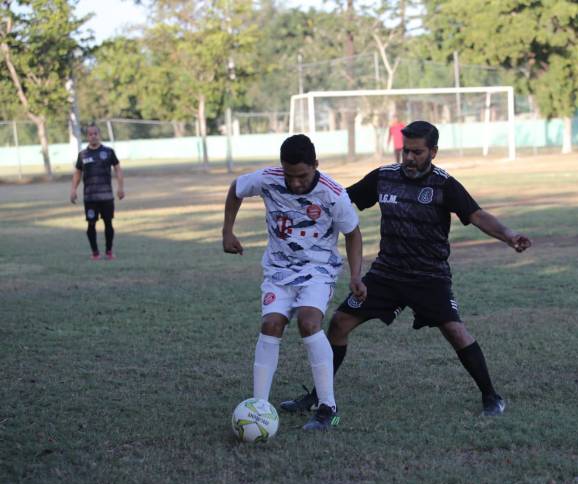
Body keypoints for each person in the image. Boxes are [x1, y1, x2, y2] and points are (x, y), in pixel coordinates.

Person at [280, 121, 532, 417]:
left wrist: (509, 235)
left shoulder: (443, 184)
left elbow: (476, 215)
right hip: (387, 274)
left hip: (429, 276)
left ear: (433, 152)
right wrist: (302, 202)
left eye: (417, 152)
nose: (409, 158)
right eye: (405, 151)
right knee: (339, 323)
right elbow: (341, 201)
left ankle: (491, 397)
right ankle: (318, 396)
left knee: (455, 330)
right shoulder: (384, 177)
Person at [222, 134, 366, 431]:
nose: (296, 183)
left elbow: (353, 233)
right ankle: (259, 405)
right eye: (290, 175)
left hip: (318, 270)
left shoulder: (333, 194)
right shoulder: (268, 179)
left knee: (309, 323)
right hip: (278, 271)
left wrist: (355, 274)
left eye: (302, 175)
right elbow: (236, 189)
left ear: (315, 165)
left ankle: (328, 407)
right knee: (271, 325)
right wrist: (227, 231)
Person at [69, 124, 124, 260]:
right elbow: (77, 173)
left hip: (106, 196)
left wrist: (120, 187)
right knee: (91, 224)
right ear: (87, 137)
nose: (93, 136)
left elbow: (118, 169)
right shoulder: (83, 155)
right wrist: (73, 189)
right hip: (90, 197)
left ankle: (109, 251)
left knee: (108, 223)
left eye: (95, 134)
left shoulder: (109, 152)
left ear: (99, 135)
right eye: (90, 134)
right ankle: (95, 252)